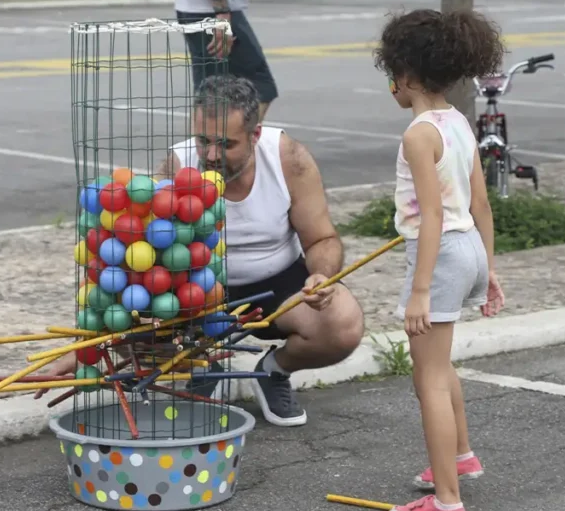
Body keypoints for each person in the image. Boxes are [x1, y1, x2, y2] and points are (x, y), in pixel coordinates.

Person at [47, 75, 365, 428]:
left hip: (279, 287)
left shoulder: (286, 157)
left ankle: (274, 371)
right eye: (203, 140)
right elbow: (145, 260)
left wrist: (321, 276)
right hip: (199, 291)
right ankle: (201, 365)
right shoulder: (178, 165)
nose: (211, 155)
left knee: (343, 325)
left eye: (226, 144)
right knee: (133, 329)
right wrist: (89, 346)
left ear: (255, 135)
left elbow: (323, 239)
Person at [374, 8, 506, 511]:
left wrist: (419, 291)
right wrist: (489, 270)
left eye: (392, 78)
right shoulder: (458, 123)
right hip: (469, 247)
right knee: (442, 363)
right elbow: (482, 205)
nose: (392, 88)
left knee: (426, 377)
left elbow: (431, 216)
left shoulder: (417, 134)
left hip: (441, 254)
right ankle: (462, 455)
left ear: (405, 75)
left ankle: (446, 504)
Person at [175, 0, 278, 120]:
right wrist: (221, 14)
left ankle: (207, 140)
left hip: (199, 9)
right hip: (212, 12)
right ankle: (233, 140)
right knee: (260, 87)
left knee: (210, 93)